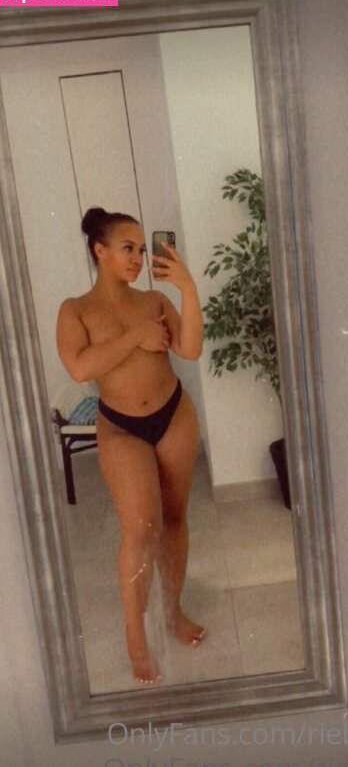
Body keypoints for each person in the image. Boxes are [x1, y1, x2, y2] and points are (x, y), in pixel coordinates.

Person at [56, 206, 205, 684]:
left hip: (173, 414)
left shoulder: (154, 300)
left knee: (175, 518)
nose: (138, 258)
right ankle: (135, 637)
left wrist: (186, 288)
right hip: (121, 427)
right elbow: (80, 367)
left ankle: (172, 611)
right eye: (128, 248)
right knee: (141, 528)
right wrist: (136, 336)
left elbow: (190, 349)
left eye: (142, 249)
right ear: (99, 250)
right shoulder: (75, 310)